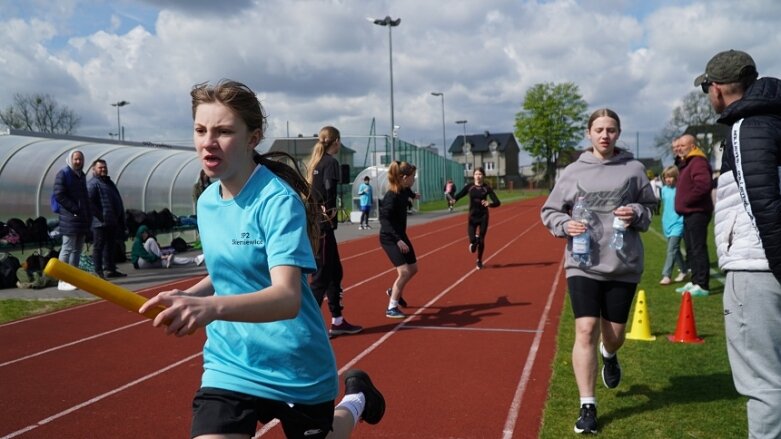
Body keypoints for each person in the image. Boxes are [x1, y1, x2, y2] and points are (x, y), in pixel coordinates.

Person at [139, 80, 385, 439]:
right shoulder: (207, 202)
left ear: (253, 138)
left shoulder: (277, 202)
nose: (208, 141)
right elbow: (227, 272)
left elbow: (287, 298)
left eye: (223, 131)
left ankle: (357, 399)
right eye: (200, 130)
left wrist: (210, 309)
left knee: (333, 432)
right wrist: (191, 296)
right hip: (230, 363)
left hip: (294, 366)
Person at [540, 108, 657, 434]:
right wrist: (566, 224)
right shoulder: (573, 171)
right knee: (585, 328)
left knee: (614, 335)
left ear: (618, 133)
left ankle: (610, 354)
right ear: (589, 133)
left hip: (623, 264)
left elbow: (650, 207)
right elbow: (549, 211)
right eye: (599, 129)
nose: (605, 135)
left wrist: (635, 211)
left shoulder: (634, 169)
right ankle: (587, 406)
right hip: (583, 263)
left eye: (611, 129)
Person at [695, 49, 781, 439]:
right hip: (765, 263)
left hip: (758, 267)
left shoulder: (747, 127)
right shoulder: (773, 120)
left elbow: (764, 202)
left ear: (716, 89)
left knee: (762, 383)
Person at [306, 126, 363, 337]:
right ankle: (306, 326)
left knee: (334, 273)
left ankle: (337, 320)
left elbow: (313, 191)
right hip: (323, 227)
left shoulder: (316, 163)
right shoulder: (330, 163)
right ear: (336, 141)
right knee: (321, 276)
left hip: (319, 225)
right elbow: (329, 189)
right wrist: (328, 209)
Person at [673, 134, 713, 297]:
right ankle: (695, 280)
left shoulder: (697, 162)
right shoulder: (687, 163)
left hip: (698, 212)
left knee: (698, 248)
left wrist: (687, 200)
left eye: (682, 146)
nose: (678, 149)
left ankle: (702, 284)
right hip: (689, 213)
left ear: (692, 146)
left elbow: (704, 185)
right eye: (677, 146)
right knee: (690, 248)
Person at [379, 160, 420, 319]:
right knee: (403, 272)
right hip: (389, 238)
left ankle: (393, 290)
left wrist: (413, 195)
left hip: (400, 235)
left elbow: (408, 192)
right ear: (404, 178)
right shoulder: (391, 196)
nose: (414, 179)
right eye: (412, 177)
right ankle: (391, 307)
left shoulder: (405, 190)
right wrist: (398, 240)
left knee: (414, 269)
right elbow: (384, 220)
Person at [52, 149, 91, 291]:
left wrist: (87, 214)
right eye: (76, 159)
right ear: (71, 159)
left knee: (77, 250)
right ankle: (62, 279)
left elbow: (85, 198)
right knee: (67, 248)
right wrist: (74, 209)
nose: (78, 161)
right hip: (70, 218)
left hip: (81, 219)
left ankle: (73, 277)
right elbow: (59, 194)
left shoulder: (81, 176)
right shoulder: (64, 174)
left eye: (80, 159)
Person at [452, 167, 501, 270]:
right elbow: (460, 194)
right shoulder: (470, 187)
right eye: (476, 174)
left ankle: (479, 261)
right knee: (472, 240)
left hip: (483, 216)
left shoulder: (486, 188)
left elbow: (497, 202)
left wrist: (489, 204)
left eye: (480, 174)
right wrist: (454, 200)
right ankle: (475, 241)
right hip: (472, 217)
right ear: (473, 176)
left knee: (482, 240)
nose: (478, 176)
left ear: (483, 176)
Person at [87, 159, 127, 279]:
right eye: (100, 168)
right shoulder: (93, 184)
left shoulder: (109, 183)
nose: (103, 169)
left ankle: (110, 269)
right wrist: (100, 216)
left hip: (111, 221)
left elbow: (117, 200)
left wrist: (119, 217)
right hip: (100, 223)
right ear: (94, 169)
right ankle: (98, 271)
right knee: (98, 247)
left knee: (110, 247)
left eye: (104, 167)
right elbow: (89, 202)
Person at [658, 165, 688, 285]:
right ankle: (684, 270)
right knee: (675, 250)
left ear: (676, 177)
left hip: (679, 223)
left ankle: (666, 275)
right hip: (667, 224)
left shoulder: (681, 189)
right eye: (666, 177)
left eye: (670, 177)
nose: (668, 179)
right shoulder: (664, 190)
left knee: (671, 249)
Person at [131, 225, 204, 269]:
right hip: (139, 263)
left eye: (146, 233)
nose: (145, 235)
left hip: (144, 262)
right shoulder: (137, 242)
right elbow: (145, 256)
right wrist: (161, 257)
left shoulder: (140, 241)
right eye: (143, 233)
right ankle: (164, 258)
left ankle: (194, 260)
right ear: (139, 233)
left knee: (170, 260)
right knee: (150, 240)